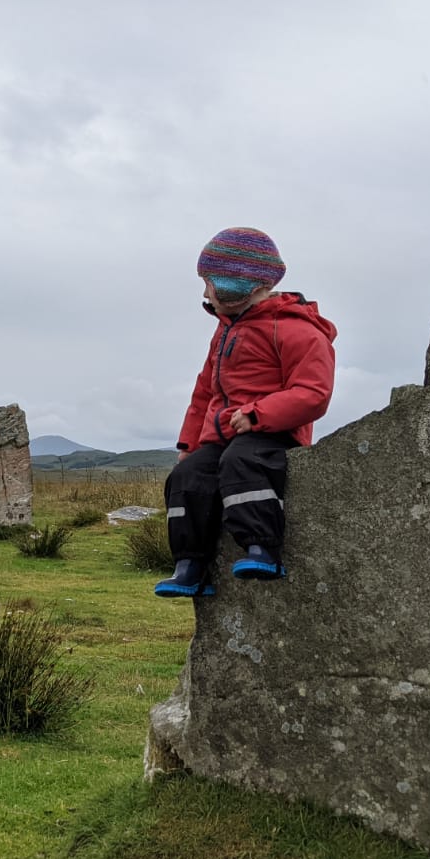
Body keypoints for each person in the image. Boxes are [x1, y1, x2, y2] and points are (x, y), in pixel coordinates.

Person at [154, 226, 336, 598]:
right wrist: (189, 443)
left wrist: (258, 414)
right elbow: (204, 391)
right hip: (222, 436)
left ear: (239, 286)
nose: (205, 292)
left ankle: (262, 548)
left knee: (242, 462)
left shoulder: (297, 330)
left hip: (274, 433)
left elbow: (313, 392)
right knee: (186, 476)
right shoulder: (224, 331)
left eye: (209, 282)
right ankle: (190, 566)